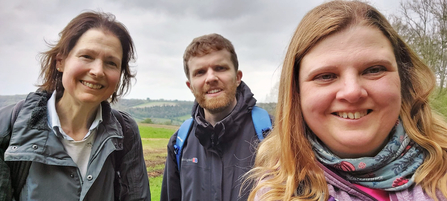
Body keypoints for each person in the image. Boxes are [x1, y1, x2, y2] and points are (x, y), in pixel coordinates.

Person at [245, 1, 447, 201]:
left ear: (403, 79)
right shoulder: (274, 195)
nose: (352, 92)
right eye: (326, 76)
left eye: (374, 70)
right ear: (296, 93)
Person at [0, 11, 150, 200]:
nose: (97, 71)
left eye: (111, 63)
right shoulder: (8, 125)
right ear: (60, 61)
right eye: (87, 56)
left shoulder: (126, 132)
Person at [160, 33, 272, 201]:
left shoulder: (274, 134)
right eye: (200, 72)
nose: (211, 78)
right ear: (190, 86)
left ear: (238, 77)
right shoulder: (179, 143)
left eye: (220, 68)